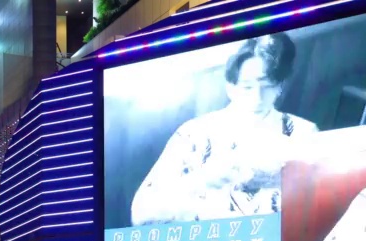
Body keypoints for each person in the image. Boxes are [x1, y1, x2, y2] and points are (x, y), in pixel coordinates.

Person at [130, 32, 318, 225]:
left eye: (267, 86)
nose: (257, 97)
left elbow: (320, 205)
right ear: (230, 87)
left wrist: (281, 179)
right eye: (247, 87)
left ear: (280, 86)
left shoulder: (303, 134)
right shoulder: (195, 134)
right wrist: (202, 180)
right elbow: (141, 213)